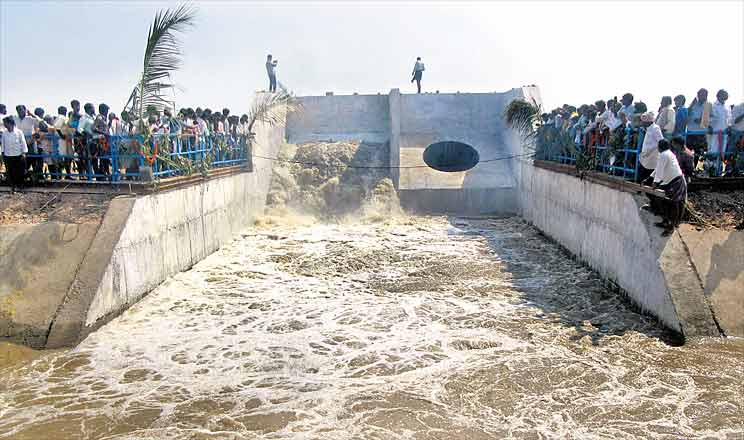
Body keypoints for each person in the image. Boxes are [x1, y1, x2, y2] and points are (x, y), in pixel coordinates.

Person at [652, 139, 687, 236]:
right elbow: (657, 169)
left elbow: (659, 171)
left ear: (660, 147)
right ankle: (666, 221)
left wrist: (655, 183)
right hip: (672, 181)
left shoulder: (664, 155)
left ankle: (671, 227)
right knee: (663, 201)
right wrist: (649, 178)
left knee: (672, 204)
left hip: (676, 182)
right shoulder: (668, 154)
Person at [706, 89, 731, 176]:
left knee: (721, 153)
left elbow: (729, 119)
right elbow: (708, 119)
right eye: (723, 96)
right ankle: (710, 171)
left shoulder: (727, 107)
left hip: (724, 134)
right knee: (713, 152)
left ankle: (719, 172)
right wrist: (709, 127)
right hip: (714, 133)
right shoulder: (713, 106)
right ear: (718, 96)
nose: (724, 98)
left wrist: (729, 127)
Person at [1, 116, 28, 191]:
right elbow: (3, 144)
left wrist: (24, 153)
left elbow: (23, 143)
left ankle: (20, 186)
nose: (4, 125)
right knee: (10, 172)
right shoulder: (4, 133)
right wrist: (3, 153)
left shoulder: (19, 132)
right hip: (8, 155)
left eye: (5, 123)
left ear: (10, 123)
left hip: (18, 155)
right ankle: (13, 186)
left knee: (19, 172)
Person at [687, 88, 712, 169]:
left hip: (701, 132)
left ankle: (694, 168)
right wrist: (690, 107)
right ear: (698, 95)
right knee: (687, 152)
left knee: (698, 153)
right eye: (702, 95)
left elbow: (710, 118)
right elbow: (687, 115)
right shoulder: (693, 104)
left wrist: (702, 120)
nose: (704, 97)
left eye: (705, 95)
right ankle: (687, 168)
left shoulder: (708, 105)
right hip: (691, 132)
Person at [639, 111, 663, 184]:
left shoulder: (655, 128)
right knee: (643, 172)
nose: (642, 123)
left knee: (649, 173)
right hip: (646, 155)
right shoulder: (648, 129)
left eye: (643, 121)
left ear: (648, 122)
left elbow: (660, 141)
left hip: (652, 155)